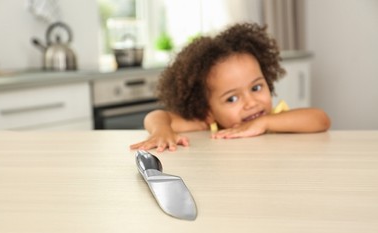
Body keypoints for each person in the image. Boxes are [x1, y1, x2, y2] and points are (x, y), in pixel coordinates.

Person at [130, 22, 330, 152]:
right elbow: (156, 116)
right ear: (208, 111)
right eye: (232, 98)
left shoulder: (276, 119)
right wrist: (161, 130)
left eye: (256, 88)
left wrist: (266, 123)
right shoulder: (211, 125)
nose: (251, 103)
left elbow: (321, 119)